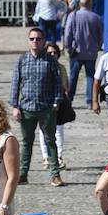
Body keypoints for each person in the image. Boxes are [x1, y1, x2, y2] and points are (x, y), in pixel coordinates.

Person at [9, 27, 65, 187]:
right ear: (28, 41)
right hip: (26, 108)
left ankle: (55, 174)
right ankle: (22, 174)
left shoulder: (51, 61)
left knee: (50, 141)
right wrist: (15, 106)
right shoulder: (21, 60)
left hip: (47, 108)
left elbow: (58, 84)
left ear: (43, 41)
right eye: (32, 39)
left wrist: (56, 102)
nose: (35, 42)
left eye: (38, 39)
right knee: (26, 143)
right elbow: (15, 83)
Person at [63, 0, 102, 106]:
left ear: (80, 4)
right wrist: (98, 46)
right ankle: (90, 100)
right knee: (90, 76)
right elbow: (100, 36)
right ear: (90, 4)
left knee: (73, 76)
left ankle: (69, 99)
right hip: (91, 52)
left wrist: (68, 47)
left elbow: (68, 33)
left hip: (76, 52)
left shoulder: (73, 16)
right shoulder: (96, 17)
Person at [40, 42, 68, 170]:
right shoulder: (41, 66)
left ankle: (59, 156)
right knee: (44, 131)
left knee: (59, 130)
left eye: (54, 53)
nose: (52, 55)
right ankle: (46, 157)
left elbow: (66, 86)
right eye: (49, 53)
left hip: (58, 103)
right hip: (44, 103)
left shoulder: (61, 68)